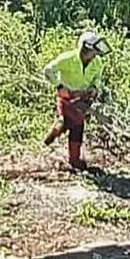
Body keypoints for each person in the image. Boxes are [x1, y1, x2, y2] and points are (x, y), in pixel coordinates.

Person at [43, 30, 108, 170]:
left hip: (83, 97)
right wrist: (59, 86)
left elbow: (98, 79)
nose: (95, 55)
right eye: (93, 51)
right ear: (85, 49)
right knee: (71, 123)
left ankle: (72, 155)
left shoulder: (97, 63)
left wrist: (95, 88)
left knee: (76, 126)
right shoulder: (67, 58)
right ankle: (59, 147)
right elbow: (48, 70)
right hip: (66, 96)